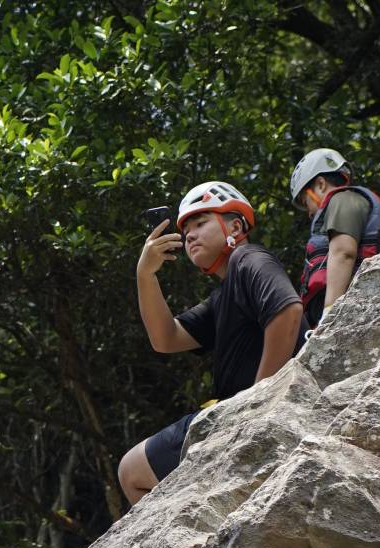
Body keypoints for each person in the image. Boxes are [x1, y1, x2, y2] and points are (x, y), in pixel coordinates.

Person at [119, 180, 304, 506]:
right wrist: (145, 275)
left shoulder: (249, 258)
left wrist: (260, 398)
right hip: (237, 416)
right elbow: (165, 338)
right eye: (186, 229)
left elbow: (287, 311)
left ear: (236, 225)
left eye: (201, 222)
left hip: (250, 412)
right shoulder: (222, 297)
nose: (189, 234)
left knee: (132, 472)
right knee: (132, 471)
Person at [290, 147, 380, 328]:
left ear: (321, 184)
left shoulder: (343, 199)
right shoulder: (347, 201)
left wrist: (330, 315)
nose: (308, 213)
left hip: (357, 310)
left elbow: (343, 252)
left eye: (305, 201)